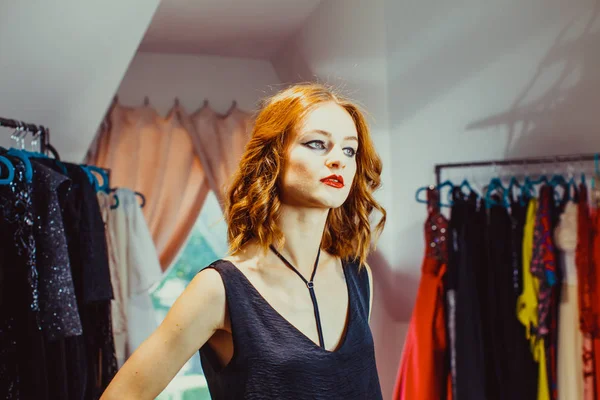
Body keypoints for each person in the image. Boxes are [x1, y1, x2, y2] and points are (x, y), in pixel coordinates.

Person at [100, 83, 387, 399]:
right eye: (317, 143)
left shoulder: (360, 277)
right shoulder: (219, 289)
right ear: (273, 157)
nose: (339, 160)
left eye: (350, 149)